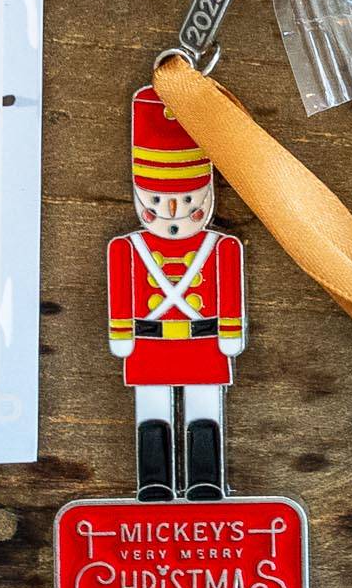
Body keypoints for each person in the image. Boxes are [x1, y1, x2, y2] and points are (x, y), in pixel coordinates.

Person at [105, 90, 246, 501]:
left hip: (203, 342)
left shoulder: (223, 248)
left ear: (205, 196)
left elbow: (230, 294)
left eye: (185, 199)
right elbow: (120, 294)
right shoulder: (125, 249)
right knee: (152, 415)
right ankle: (155, 481)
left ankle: (205, 479)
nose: (171, 211)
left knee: (205, 413)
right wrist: (121, 334)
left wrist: (230, 334)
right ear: (141, 197)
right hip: (149, 344)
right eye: (158, 200)